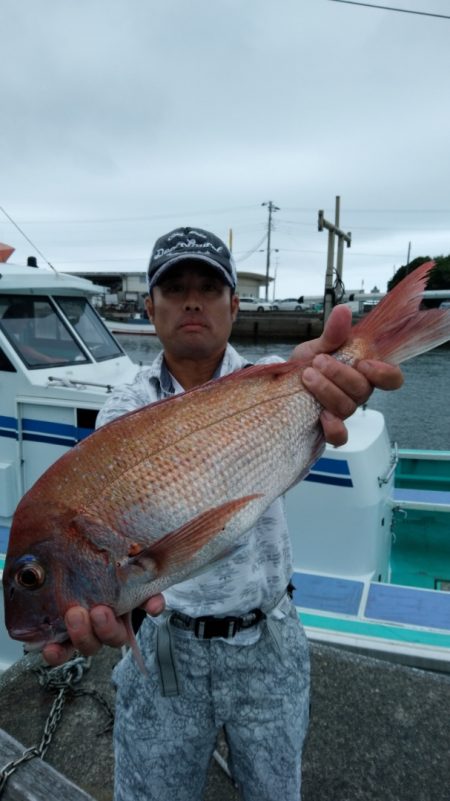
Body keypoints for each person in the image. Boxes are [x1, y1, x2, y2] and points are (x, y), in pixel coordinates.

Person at [43, 227, 403, 801]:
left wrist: (340, 381)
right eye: (175, 287)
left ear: (234, 305)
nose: (192, 300)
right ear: (149, 306)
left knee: (276, 789)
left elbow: (316, 394)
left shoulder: (274, 381)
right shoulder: (124, 410)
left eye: (209, 288)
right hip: (165, 645)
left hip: (268, 637)